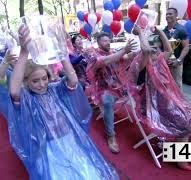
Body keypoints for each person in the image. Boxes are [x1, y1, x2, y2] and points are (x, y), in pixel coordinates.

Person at [8, 24, 119, 180]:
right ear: (26, 82)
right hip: (49, 146)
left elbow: (73, 80)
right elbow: (14, 91)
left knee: (85, 172)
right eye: (35, 81)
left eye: (44, 78)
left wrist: (62, 52)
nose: (41, 84)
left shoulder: (55, 89)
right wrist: (24, 52)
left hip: (69, 137)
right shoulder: (28, 99)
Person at [129, 25, 191, 171]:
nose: (157, 52)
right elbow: (145, 50)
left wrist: (159, 32)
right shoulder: (142, 65)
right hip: (152, 109)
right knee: (185, 124)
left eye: (157, 50)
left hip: (165, 103)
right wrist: (140, 34)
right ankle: (180, 160)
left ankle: (182, 154)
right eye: (153, 50)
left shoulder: (158, 61)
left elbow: (169, 49)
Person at [86, 32, 137, 153]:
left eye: (109, 40)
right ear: (98, 42)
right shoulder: (92, 53)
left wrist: (137, 51)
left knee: (140, 89)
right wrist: (124, 50)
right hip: (104, 88)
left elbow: (125, 58)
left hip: (119, 85)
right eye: (104, 41)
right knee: (107, 102)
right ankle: (111, 135)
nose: (108, 42)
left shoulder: (113, 51)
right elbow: (104, 61)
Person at [163, 7, 189, 91]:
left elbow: (186, 47)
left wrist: (178, 61)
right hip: (165, 63)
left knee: (177, 86)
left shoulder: (181, 29)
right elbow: (161, 47)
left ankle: (179, 104)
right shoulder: (164, 31)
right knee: (166, 85)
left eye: (170, 14)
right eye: (167, 14)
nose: (168, 16)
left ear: (176, 15)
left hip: (176, 64)